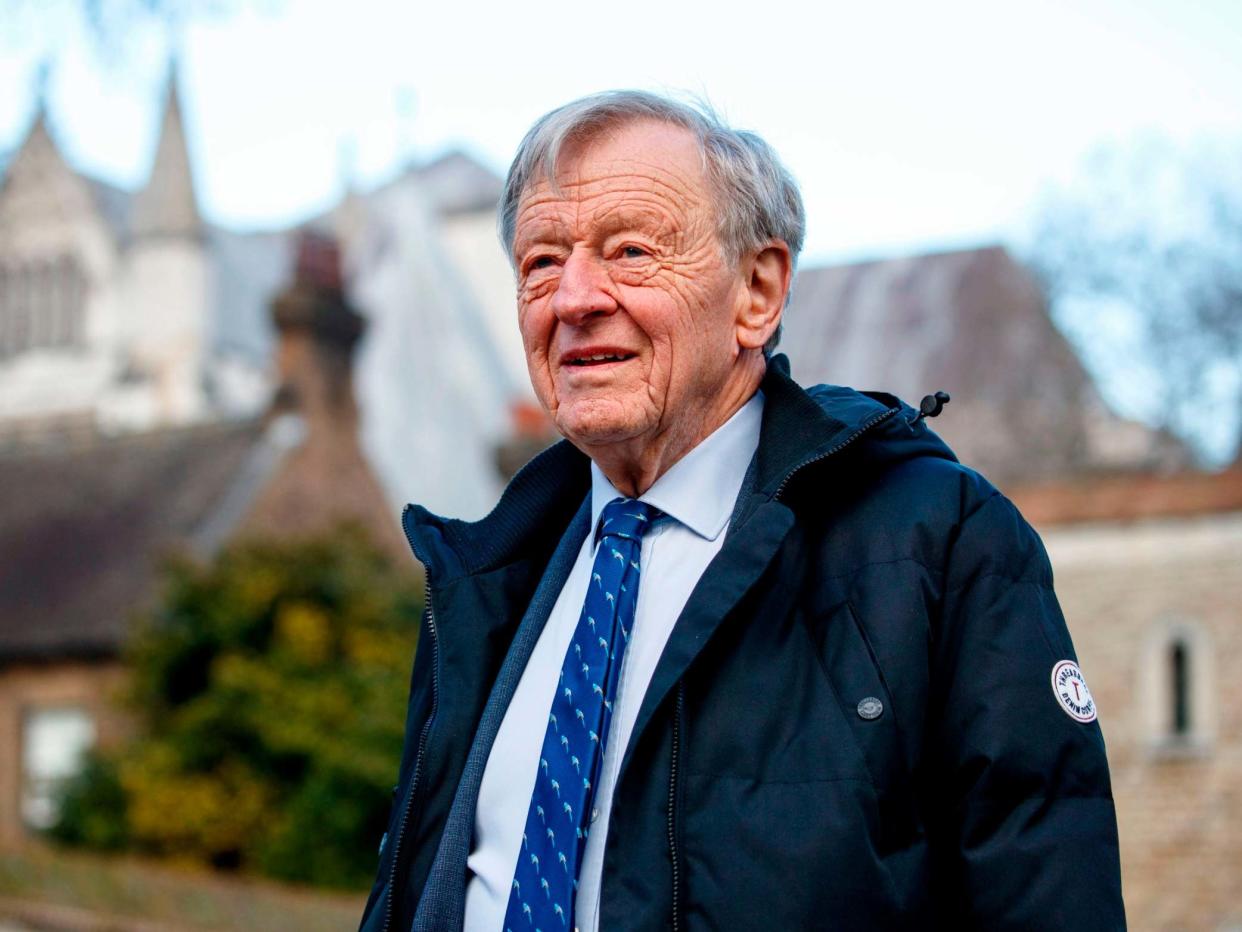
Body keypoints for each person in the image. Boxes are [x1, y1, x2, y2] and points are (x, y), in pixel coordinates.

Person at [358, 91, 1126, 932]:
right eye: (541, 262)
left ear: (757, 291)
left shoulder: (937, 546)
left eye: (631, 250)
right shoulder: (486, 582)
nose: (573, 297)